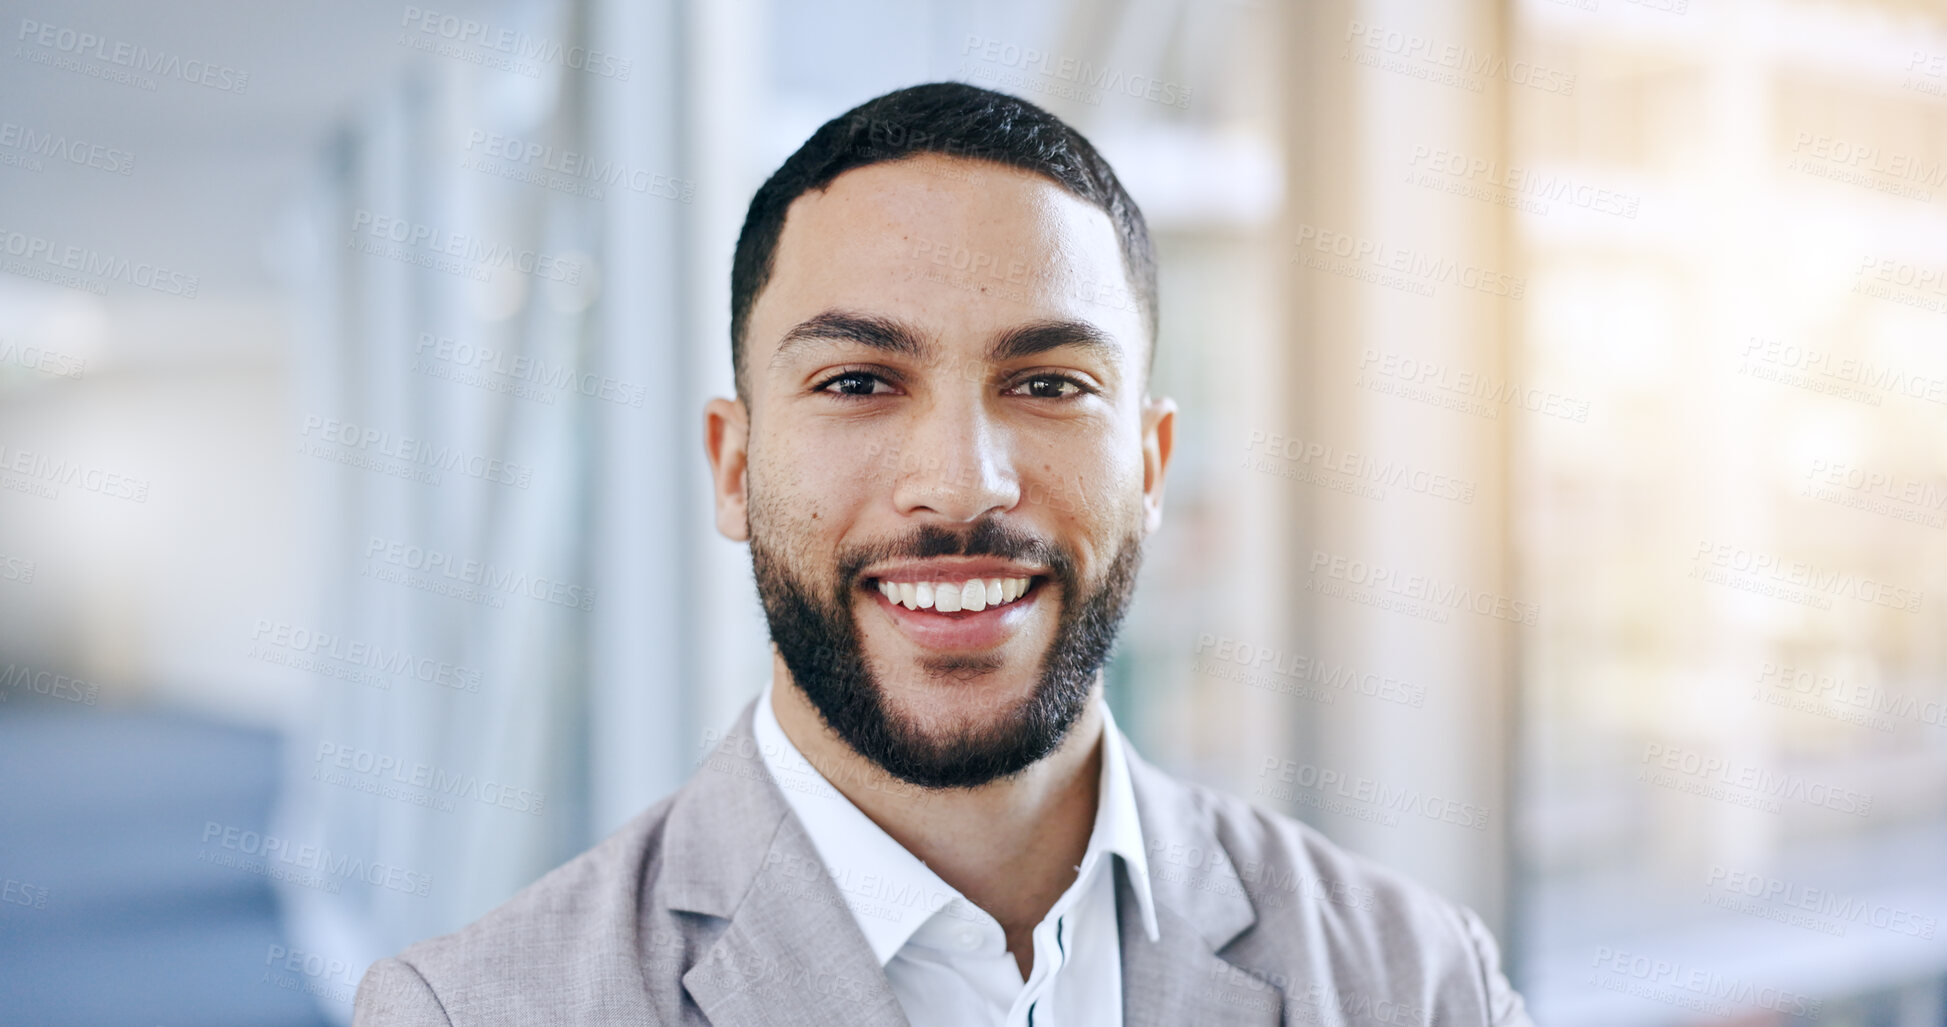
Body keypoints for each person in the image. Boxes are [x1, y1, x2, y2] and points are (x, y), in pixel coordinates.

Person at [354, 81, 1533, 1027]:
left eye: (1051, 384)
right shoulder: (476, 1010)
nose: (964, 481)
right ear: (731, 465)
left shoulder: (1419, 983)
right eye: (859, 382)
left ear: (1152, 464)